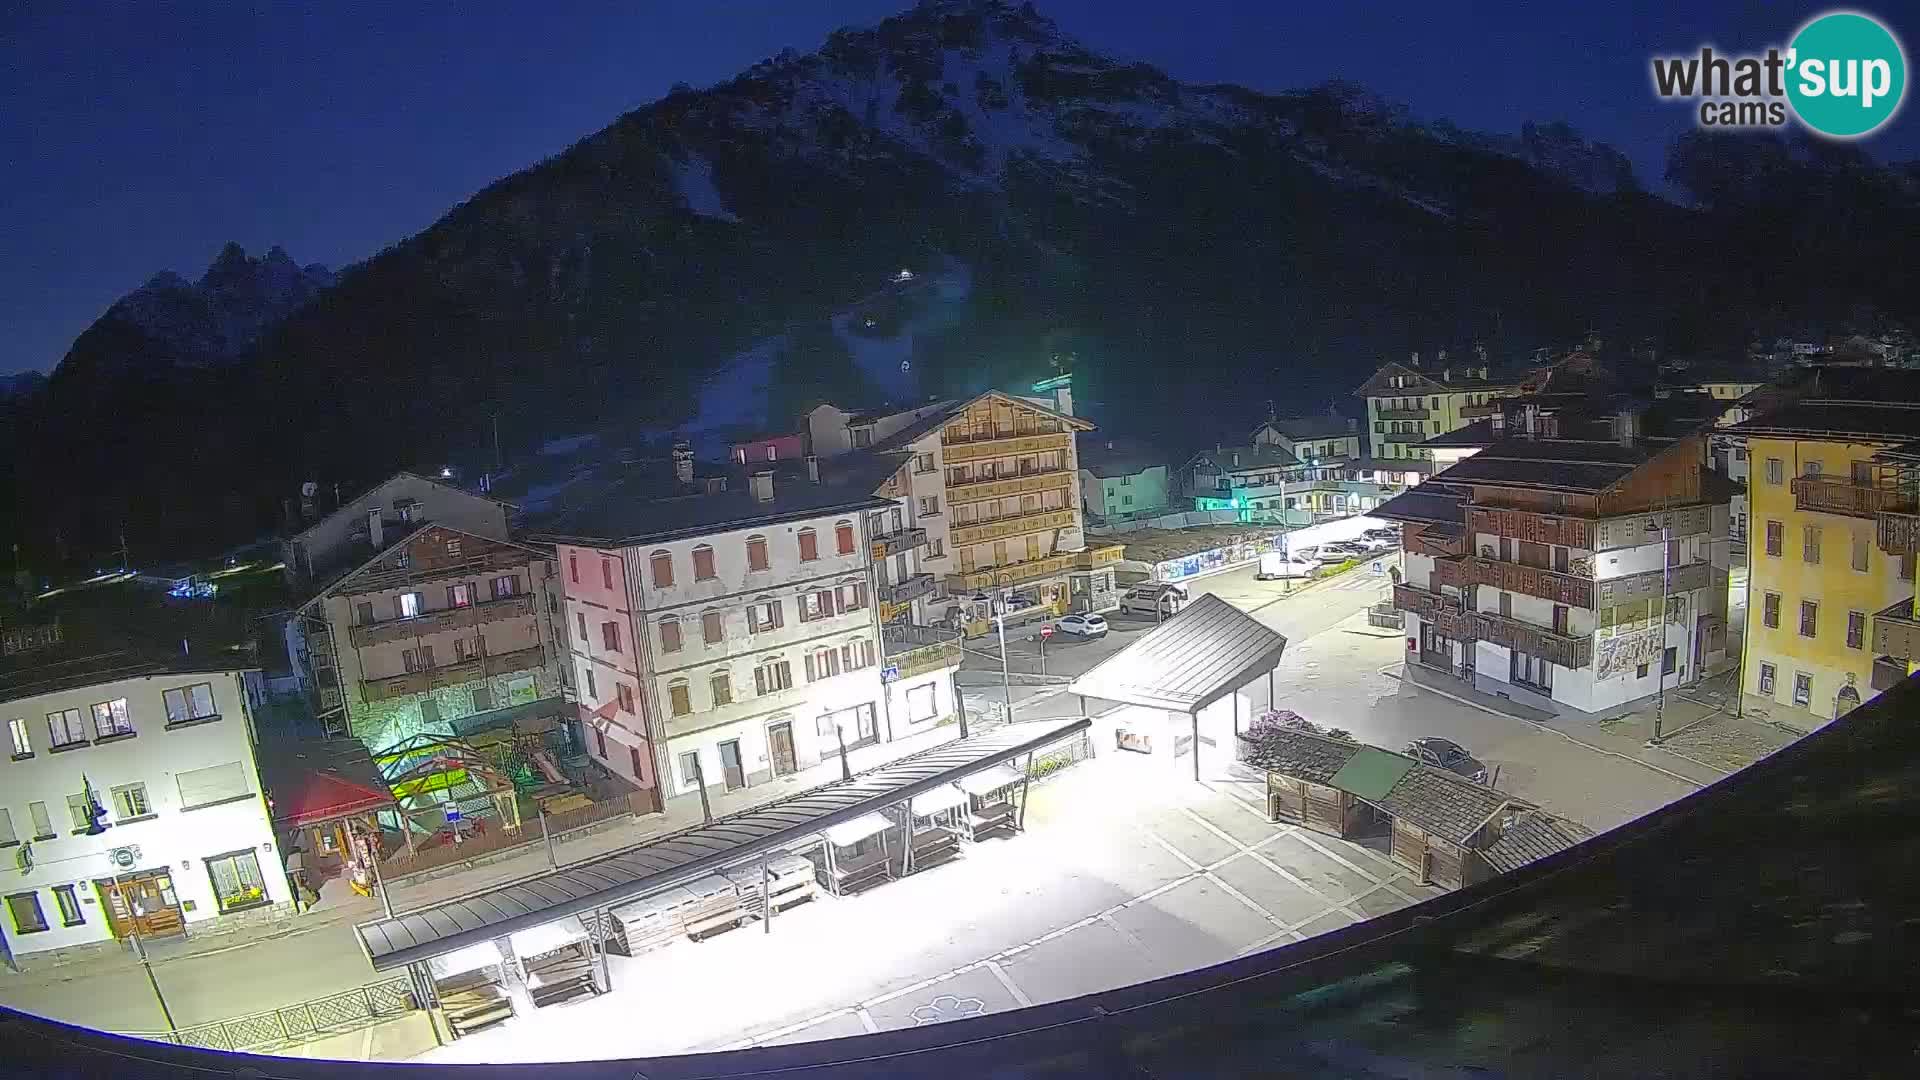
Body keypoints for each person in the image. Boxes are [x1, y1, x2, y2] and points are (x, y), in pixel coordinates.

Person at [285, 845, 310, 913]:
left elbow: (294, 873)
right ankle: (300, 887)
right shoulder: (296, 856)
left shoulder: (292, 858)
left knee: (295, 873)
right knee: (297, 872)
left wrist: (299, 885)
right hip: (295, 854)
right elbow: (297, 872)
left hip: (293, 855)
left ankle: (300, 887)